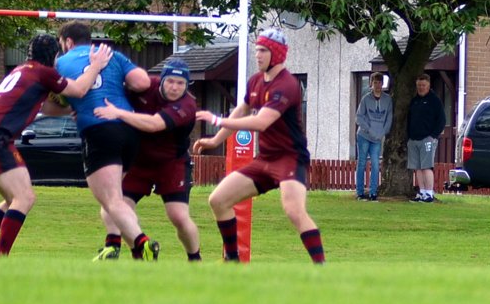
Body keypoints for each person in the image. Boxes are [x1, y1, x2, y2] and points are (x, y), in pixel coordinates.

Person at [0, 34, 112, 257]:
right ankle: (0, 258)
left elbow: (46, 107)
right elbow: (79, 89)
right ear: (54, 56)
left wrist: (72, 109)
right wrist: (96, 66)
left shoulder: (22, 70)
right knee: (24, 198)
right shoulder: (44, 72)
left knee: (13, 200)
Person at [192, 28, 325, 264]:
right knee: (218, 200)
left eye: (263, 50)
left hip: (289, 159)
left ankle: (321, 268)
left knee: (294, 211)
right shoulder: (255, 81)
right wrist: (215, 140)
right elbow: (240, 111)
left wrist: (217, 120)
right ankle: (232, 261)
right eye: (256, 50)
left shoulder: (287, 85)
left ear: (277, 54)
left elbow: (261, 122)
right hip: (264, 160)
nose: (258, 55)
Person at [53, 21, 159, 261]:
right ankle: (114, 245)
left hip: (99, 129)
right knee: (113, 198)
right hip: (129, 129)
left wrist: (75, 105)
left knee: (111, 199)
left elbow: (52, 105)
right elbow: (142, 82)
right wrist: (115, 84)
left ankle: (142, 243)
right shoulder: (111, 55)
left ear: (68, 42)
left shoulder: (60, 63)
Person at [93, 58, 203, 261]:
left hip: (172, 163)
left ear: (187, 86)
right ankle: (130, 250)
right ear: (161, 80)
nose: (175, 87)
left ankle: (195, 259)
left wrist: (118, 113)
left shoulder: (187, 105)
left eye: (181, 83)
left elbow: (153, 124)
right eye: (170, 81)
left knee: (178, 216)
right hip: (138, 161)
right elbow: (112, 90)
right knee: (115, 204)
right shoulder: (145, 86)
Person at [406, 73, 445, 202]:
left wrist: (433, 136)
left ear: (428, 85)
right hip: (413, 139)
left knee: (426, 167)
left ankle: (429, 193)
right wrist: (409, 137)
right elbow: (409, 119)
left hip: (427, 139)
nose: (421, 88)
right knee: (417, 167)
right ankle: (422, 192)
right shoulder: (414, 101)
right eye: (419, 85)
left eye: (423, 85)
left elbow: (442, 120)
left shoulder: (435, 101)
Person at [354, 73, 392, 200]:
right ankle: (360, 192)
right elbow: (359, 117)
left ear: (382, 84)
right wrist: (369, 129)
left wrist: (383, 132)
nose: (377, 85)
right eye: (375, 82)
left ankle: (373, 192)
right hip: (364, 136)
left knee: (375, 164)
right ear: (371, 83)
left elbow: (389, 118)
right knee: (362, 163)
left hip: (377, 138)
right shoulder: (365, 99)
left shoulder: (387, 100)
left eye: (379, 82)